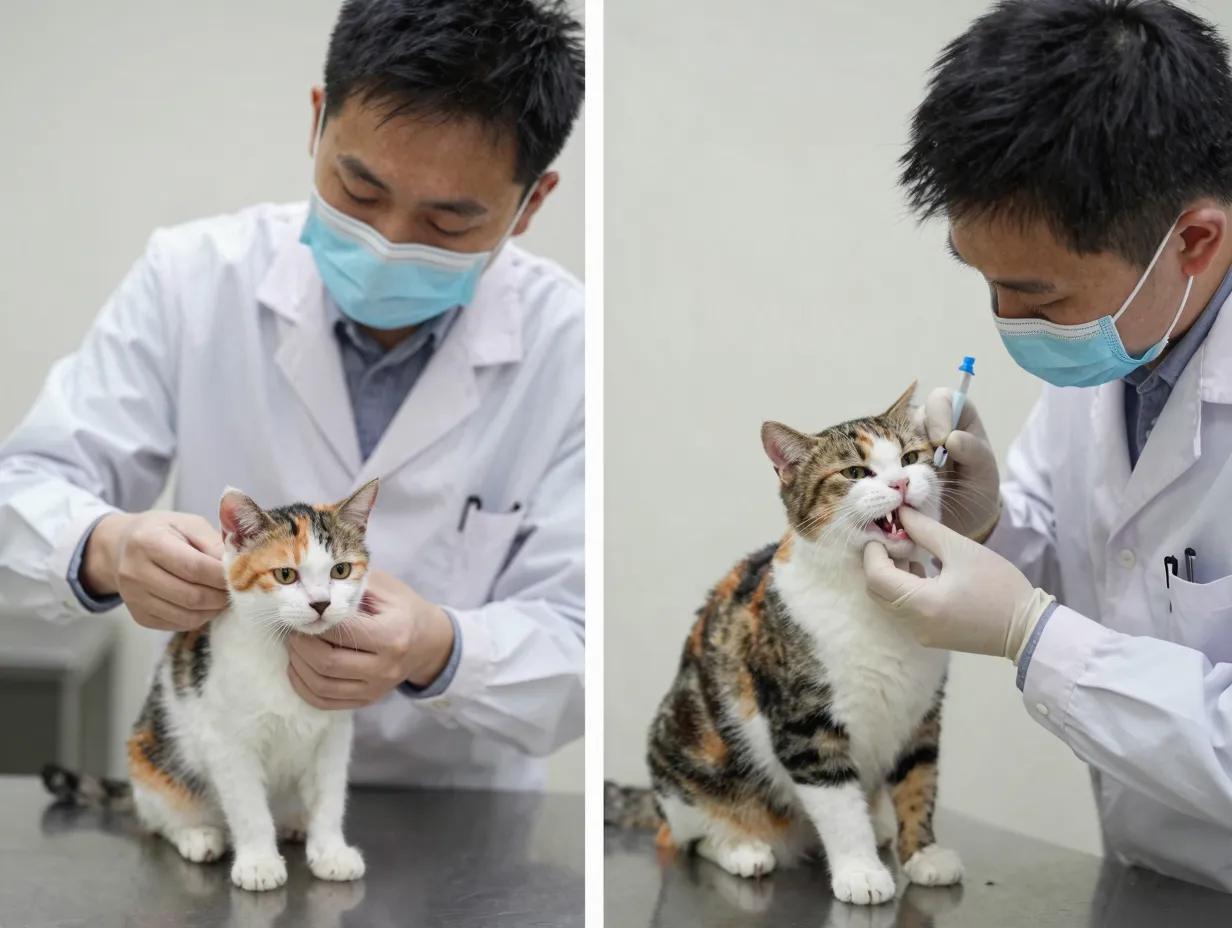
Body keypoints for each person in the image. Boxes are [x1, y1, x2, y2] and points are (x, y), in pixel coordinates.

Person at [0, 0, 585, 791]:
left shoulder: (570, 348)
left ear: (532, 203)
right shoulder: (192, 278)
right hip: (223, 775)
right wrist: (106, 548)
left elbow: (581, 645)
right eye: (358, 189)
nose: (387, 246)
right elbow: (23, 492)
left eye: (448, 223)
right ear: (318, 123)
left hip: (453, 811)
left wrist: (438, 648)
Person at [863, 0, 1232, 892]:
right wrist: (982, 519)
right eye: (985, 282)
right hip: (1144, 878)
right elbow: (1092, 548)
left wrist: (1033, 637)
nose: (1007, 324)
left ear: (1193, 240)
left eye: (1039, 298)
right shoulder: (1129, 336)